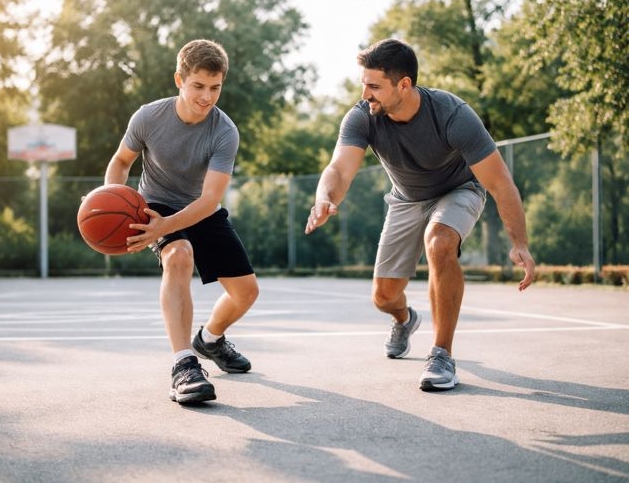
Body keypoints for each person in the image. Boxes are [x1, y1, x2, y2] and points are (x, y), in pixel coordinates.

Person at [305, 38, 535, 392]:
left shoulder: (452, 114)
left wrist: (519, 242)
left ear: (404, 85)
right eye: (364, 84)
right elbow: (339, 169)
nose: (366, 93)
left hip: (459, 190)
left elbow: (501, 183)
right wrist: (323, 197)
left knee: (439, 241)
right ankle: (405, 319)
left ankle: (441, 354)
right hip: (406, 200)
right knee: (383, 296)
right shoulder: (362, 116)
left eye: (374, 86)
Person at [104, 39, 259, 404]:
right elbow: (121, 162)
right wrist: (112, 196)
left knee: (247, 293)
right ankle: (183, 366)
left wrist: (168, 225)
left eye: (215, 87)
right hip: (155, 203)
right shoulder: (148, 117)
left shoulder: (224, 132)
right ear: (179, 80)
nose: (207, 96)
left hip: (199, 208)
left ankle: (209, 340)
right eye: (198, 86)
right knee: (179, 257)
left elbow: (210, 200)